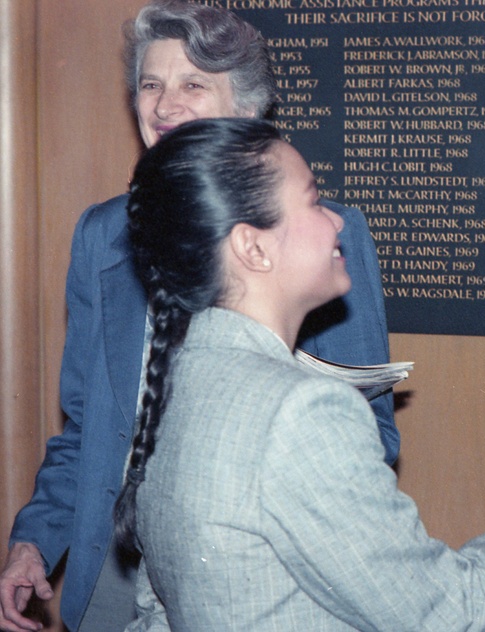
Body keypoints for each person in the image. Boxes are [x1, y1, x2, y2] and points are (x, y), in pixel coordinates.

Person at [114, 117, 485, 631]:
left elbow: (156, 612)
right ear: (252, 247)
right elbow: (440, 611)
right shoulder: (298, 412)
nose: (338, 221)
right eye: (314, 200)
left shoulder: (178, 379)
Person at [0, 2, 397, 631]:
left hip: (254, 578)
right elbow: (84, 429)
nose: (163, 106)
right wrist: (35, 541)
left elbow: (370, 430)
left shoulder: (321, 239)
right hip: (115, 576)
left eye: (193, 85)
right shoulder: (102, 237)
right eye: (150, 84)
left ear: (246, 110)